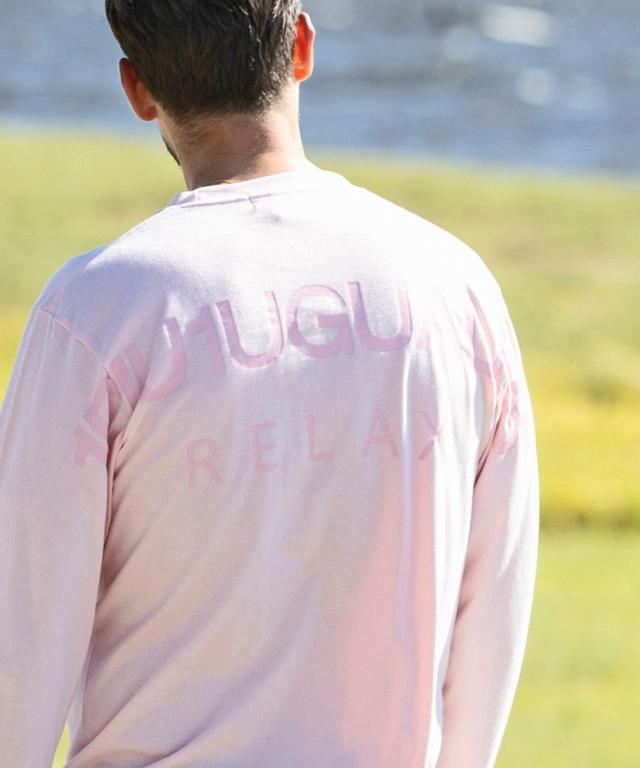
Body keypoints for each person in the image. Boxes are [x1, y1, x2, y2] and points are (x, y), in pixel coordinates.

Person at [0, 2, 540, 767]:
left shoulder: (96, 310)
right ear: (302, 45)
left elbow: (20, 641)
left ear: (137, 89)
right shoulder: (456, 285)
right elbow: (496, 603)